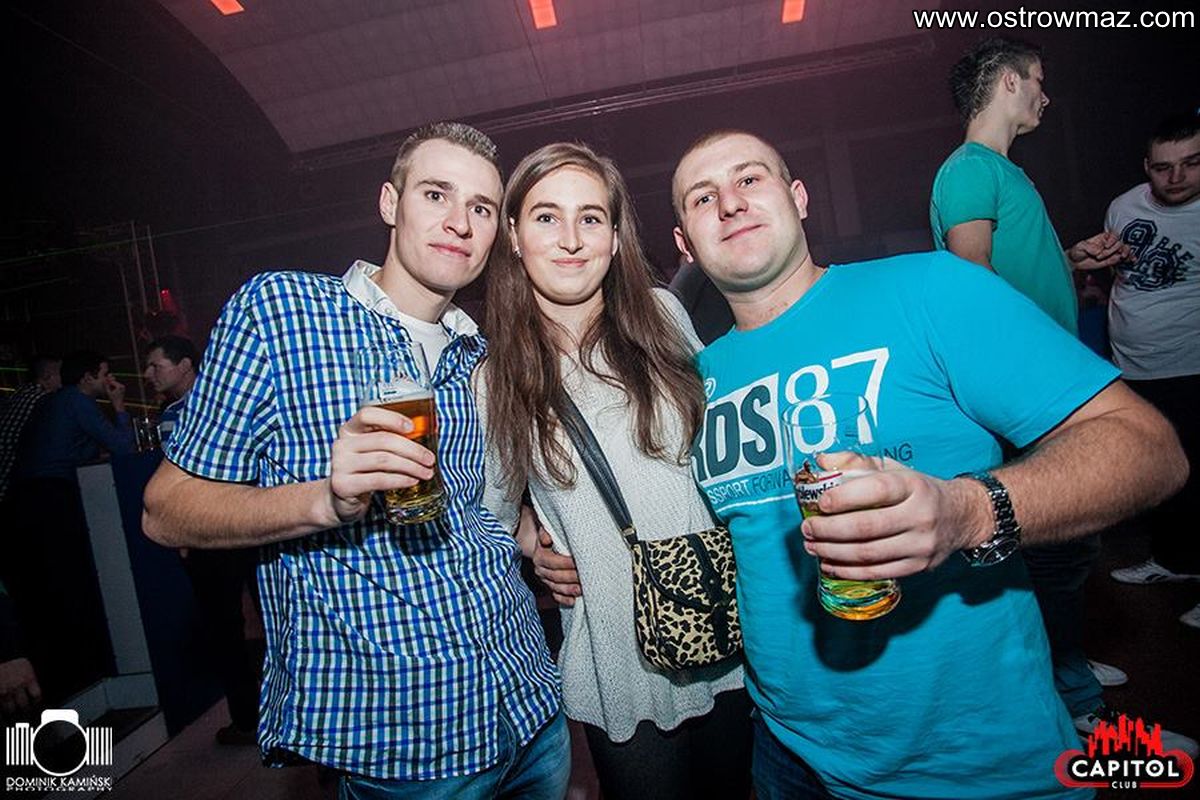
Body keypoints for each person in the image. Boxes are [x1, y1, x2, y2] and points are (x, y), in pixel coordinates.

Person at [670, 129, 1187, 799]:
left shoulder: (930, 289)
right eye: (702, 197)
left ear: (798, 198)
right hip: (787, 752)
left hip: (972, 761)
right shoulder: (694, 381)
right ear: (685, 244)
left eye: (749, 179)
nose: (730, 203)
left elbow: (1149, 448)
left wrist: (968, 512)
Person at [142, 122, 567, 798]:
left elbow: (473, 507)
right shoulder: (283, 313)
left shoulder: (480, 355)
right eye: (436, 194)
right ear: (390, 203)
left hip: (531, 703)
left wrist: (530, 541)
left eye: (482, 208)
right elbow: (166, 511)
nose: (459, 222)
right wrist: (325, 501)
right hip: (405, 741)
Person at [479, 142, 751, 800]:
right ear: (513, 235)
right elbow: (488, 510)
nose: (571, 239)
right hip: (618, 654)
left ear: (614, 234)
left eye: (591, 218)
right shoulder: (497, 377)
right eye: (546, 217)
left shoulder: (663, 315)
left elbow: (720, 444)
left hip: (720, 620)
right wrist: (536, 545)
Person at [929, 36, 1150, 744]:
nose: (1046, 96)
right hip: (1022, 392)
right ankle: (1071, 697)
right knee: (1056, 545)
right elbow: (973, 277)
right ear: (1008, 83)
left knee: (1065, 545)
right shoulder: (970, 168)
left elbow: (1010, 267)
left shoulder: (998, 171)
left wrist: (1069, 257)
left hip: (1037, 384)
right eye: (1038, 81)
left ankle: (1065, 669)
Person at [1099, 111, 1200, 629]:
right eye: (1163, 167)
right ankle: (1173, 560)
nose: (1176, 177)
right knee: (1160, 472)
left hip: (1191, 367)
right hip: (1134, 366)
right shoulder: (1124, 207)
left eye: (1190, 164)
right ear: (1147, 167)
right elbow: (1118, 273)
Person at [144, 335, 263, 745]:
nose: (149, 374)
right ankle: (267, 716)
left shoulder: (201, 409)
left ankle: (253, 719)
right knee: (251, 622)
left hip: (225, 526)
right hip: (240, 524)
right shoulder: (200, 407)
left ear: (185, 366)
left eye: (157, 365)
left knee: (234, 627)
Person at [0, 355, 60, 504]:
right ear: (47, 376)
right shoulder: (43, 400)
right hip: (12, 478)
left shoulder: (20, 392)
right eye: (61, 373)